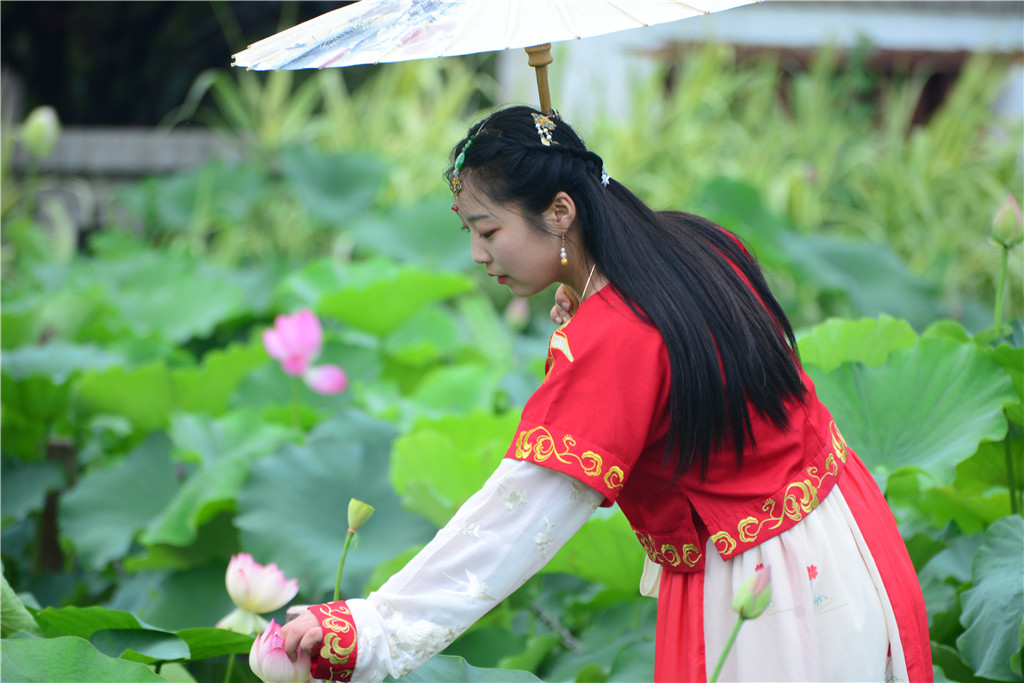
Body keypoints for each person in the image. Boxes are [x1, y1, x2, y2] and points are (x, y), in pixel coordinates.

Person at [280, 105, 932, 682]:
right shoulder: (699, 244)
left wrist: (372, 627)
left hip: (763, 593)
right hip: (846, 537)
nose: (479, 255)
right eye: (469, 233)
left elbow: (521, 513)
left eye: (487, 230)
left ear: (561, 211)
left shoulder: (613, 338)